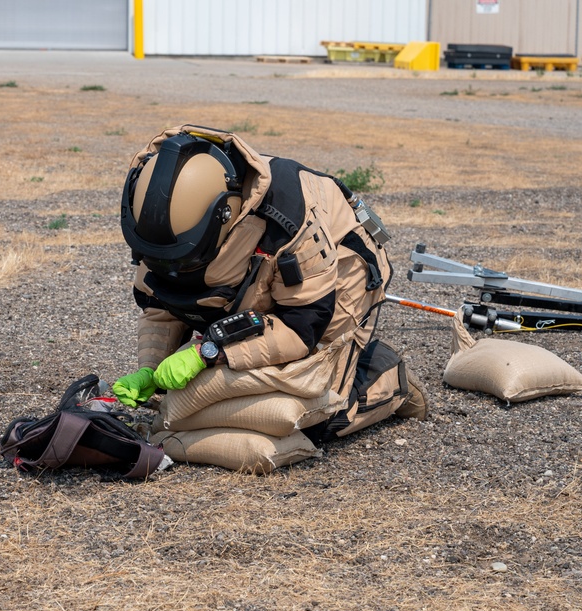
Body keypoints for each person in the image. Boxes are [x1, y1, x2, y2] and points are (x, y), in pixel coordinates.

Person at [112, 124, 426, 446]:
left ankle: (389, 376)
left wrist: (209, 352)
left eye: (183, 261)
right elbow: (160, 305)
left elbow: (301, 329)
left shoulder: (289, 224)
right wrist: (150, 370)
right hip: (263, 282)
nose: (172, 269)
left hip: (342, 275)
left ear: (226, 215)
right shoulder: (157, 226)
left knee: (319, 416)